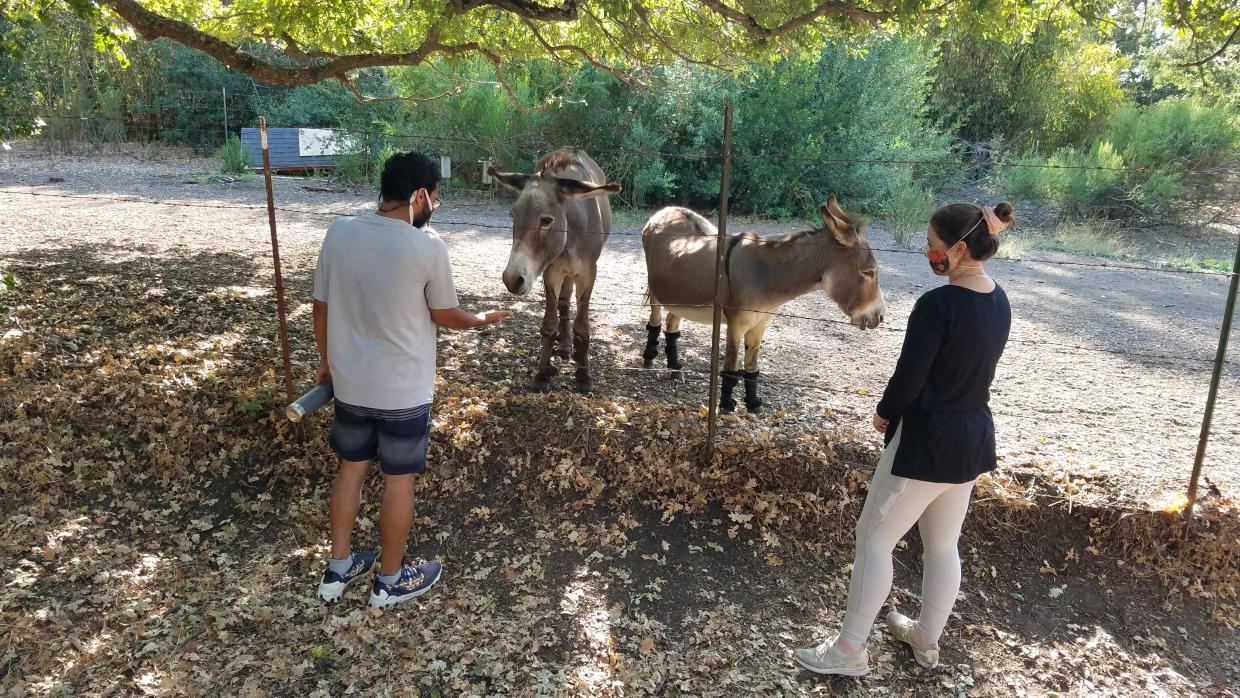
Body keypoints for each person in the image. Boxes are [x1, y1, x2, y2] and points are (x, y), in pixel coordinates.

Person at [795, 202, 1014, 675]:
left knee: (873, 538)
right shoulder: (999, 299)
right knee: (942, 544)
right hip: (972, 438)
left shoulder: (937, 305)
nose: (928, 253)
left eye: (934, 246)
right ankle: (926, 638)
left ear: (958, 249)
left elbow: (910, 376)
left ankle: (848, 650)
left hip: (927, 440)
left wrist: (884, 412)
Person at [311, 151, 513, 609]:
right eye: (434, 199)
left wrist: (327, 362)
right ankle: (389, 580)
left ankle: (338, 570)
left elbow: (320, 306)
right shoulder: (427, 247)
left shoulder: (339, 233)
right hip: (402, 390)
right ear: (419, 195)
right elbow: (444, 314)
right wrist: (482, 318)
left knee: (351, 470)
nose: (435, 207)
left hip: (349, 385)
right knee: (398, 479)